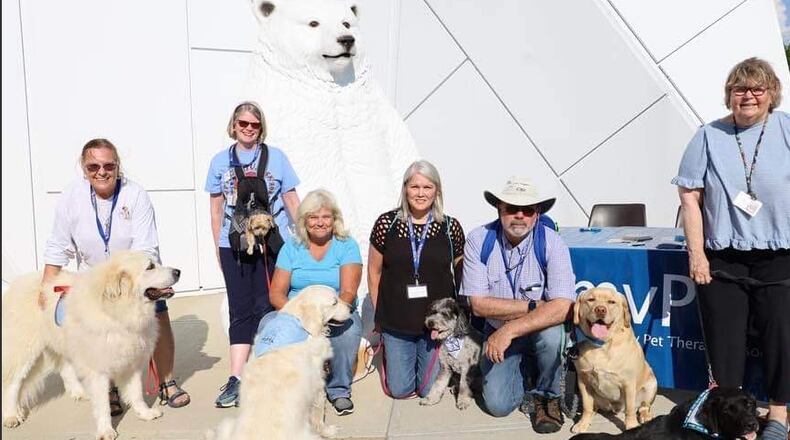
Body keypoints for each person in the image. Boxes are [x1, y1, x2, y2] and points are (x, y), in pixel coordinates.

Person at [672, 57, 789, 440]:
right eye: (740, 89)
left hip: (780, 257)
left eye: (757, 88)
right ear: (729, 95)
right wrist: (697, 254)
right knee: (725, 345)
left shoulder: (787, 129)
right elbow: (690, 198)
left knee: (781, 337)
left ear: (771, 93)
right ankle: (735, 422)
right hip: (723, 257)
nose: (748, 95)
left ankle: (778, 416)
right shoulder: (707, 136)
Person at [41, 138, 190, 415]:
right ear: (83, 167)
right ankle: (110, 390)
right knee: (100, 335)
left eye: (108, 165)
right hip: (95, 282)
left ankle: (167, 382)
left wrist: (132, 279)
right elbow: (58, 243)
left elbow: (146, 246)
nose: (101, 171)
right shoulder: (72, 196)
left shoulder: (136, 195)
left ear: (118, 166)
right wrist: (46, 286)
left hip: (135, 275)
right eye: (93, 166)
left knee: (157, 315)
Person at [461, 176, 576, 434]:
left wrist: (510, 330)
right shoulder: (478, 240)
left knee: (551, 336)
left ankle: (547, 396)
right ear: (499, 209)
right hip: (497, 328)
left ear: (537, 214)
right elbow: (478, 305)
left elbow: (563, 306)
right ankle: (531, 373)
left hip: (530, 330)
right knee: (498, 405)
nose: (520, 215)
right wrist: (535, 306)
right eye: (512, 208)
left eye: (528, 210)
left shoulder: (553, 242)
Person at [205, 101, 300, 408]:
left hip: (272, 243)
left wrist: (306, 239)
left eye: (254, 124)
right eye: (243, 123)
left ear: (261, 127)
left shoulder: (277, 158)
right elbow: (216, 209)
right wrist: (218, 247)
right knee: (240, 309)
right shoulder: (220, 161)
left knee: (268, 305)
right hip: (234, 244)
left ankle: (266, 371)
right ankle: (236, 377)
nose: (248, 129)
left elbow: (291, 200)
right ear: (233, 126)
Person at [367, 160, 465, 399]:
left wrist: (459, 317)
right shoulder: (386, 224)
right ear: (405, 189)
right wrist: (380, 314)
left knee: (427, 389)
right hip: (397, 322)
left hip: (437, 326)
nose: (421, 193)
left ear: (437, 190)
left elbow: (461, 273)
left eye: (427, 187)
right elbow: (373, 271)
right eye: (415, 187)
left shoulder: (450, 227)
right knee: (400, 390)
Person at [260, 189, 363, 415]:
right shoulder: (292, 247)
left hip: (335, 310)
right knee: (268, 324)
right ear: (304, 221)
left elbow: (348, 291)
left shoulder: (347, 245)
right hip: (297, 312)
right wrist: (301, 319)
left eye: (326, 217)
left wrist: (323, 318)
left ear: (335, 219)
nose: (320, 222)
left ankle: (339, 390)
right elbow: (276, 293)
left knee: (349, 331)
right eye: (313, 217)